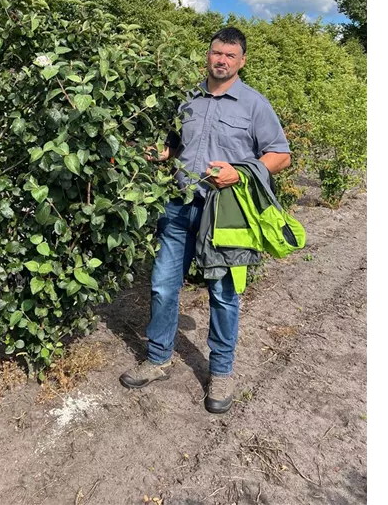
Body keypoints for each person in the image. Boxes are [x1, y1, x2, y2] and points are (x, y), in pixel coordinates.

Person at [119, 27, 291, 413]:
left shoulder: (253, 104)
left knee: (224, 295)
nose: (221, 60)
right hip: (180, 206)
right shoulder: (187, 99)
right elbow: (173, 146)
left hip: (226, 213)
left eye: (230, 55)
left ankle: (222, 372)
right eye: (217, 53)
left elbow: (280, 155)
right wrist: (152, 154)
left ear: (242, 61)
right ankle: (159, 358)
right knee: (163, 285)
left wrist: (241, 173)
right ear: (208, 55)